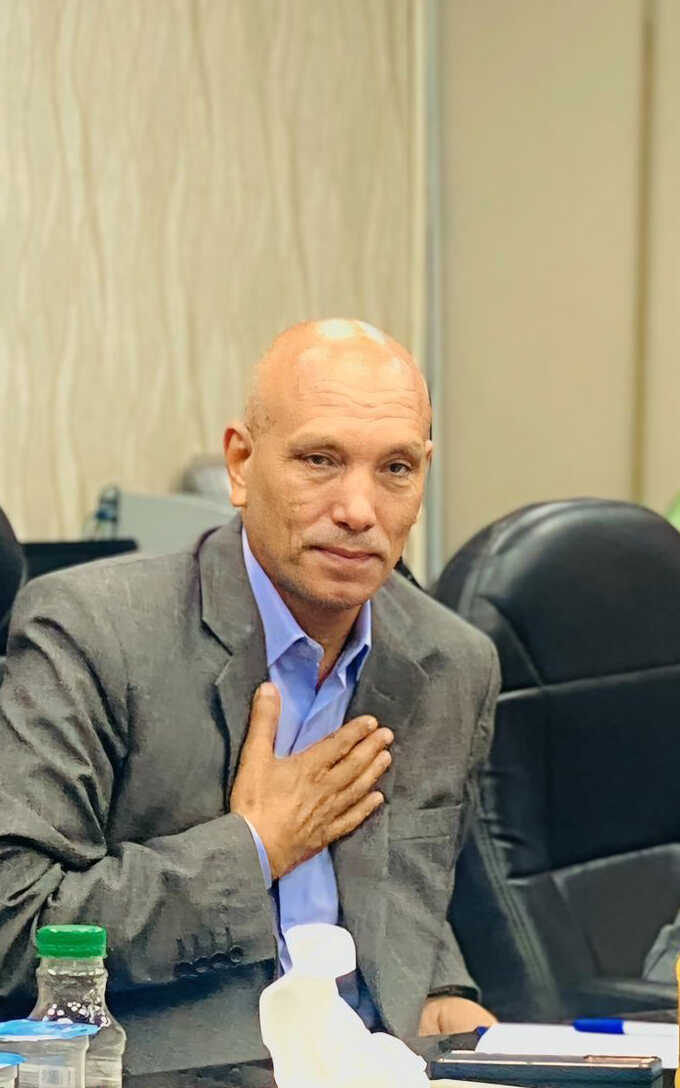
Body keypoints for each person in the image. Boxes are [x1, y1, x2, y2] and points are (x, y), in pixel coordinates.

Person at [0, 319, 500, 1075]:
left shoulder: (451, 663)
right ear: (241, 463)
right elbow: (16, 927)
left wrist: (443, 995)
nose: (359, 509)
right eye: (320, 460)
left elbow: (411, 894)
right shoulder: (91, 631)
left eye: (395, 468)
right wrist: (256, 847)